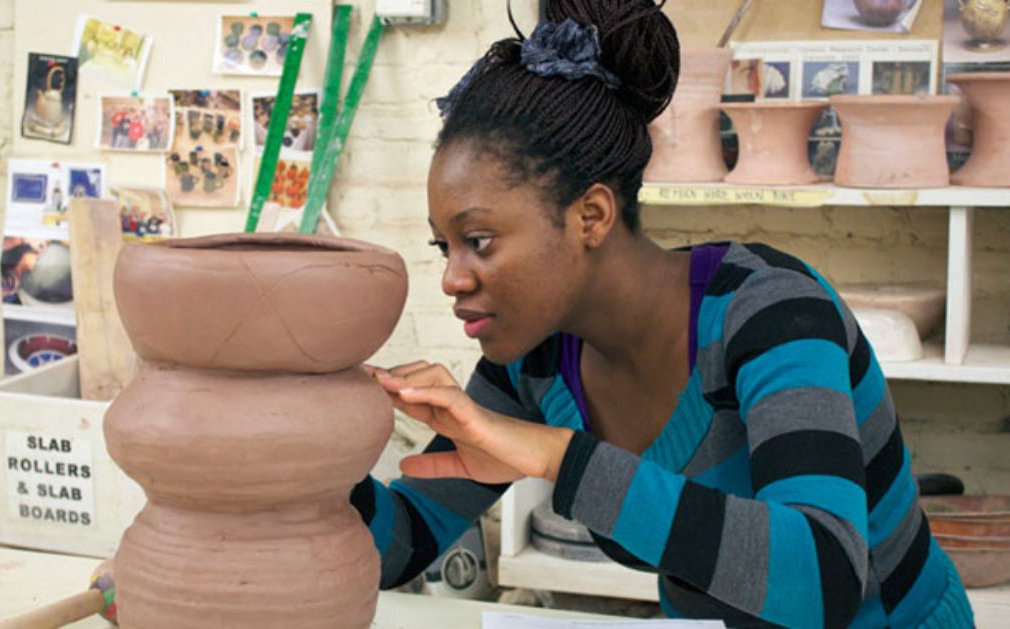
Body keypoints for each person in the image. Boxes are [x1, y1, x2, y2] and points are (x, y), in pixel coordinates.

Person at [355, 1, 974, 627]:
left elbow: (823, 578)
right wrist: (304, 448)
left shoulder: (769, 314)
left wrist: (558, 458)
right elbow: (399, 544)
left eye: (479, 241)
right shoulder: (538, 362)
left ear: (591, 217)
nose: (452, 278)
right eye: (445, 247)